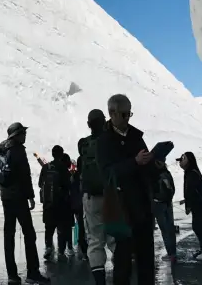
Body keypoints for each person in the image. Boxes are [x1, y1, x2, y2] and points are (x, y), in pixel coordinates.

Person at [96, 94, 156, 285]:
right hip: (122, 208)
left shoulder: (136, 137)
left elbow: (145, 166)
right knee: (123, 261)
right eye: (124, 114)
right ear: (111, 113)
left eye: (129, 113)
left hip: (143, 206)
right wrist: (134, 162)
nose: (127, 118)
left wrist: (154, 163)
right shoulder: (104, 141)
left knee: (146, 259)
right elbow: (107, 173)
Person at [0, 123, 50, 284]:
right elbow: (25, 175)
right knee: (29, 234)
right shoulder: (18, 150)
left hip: (6, 198)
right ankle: (32, 273)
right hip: (19, 198)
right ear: (17, 135)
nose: (25, 135)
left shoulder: (2, 149)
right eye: (23, 133)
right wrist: (31, 197)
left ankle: (12, 275)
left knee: (9, 236)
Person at [78, 108, 107, 285]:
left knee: (95, 241)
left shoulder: (83, 144)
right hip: (111, 196)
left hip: (91, 198)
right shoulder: (110, 141)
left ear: (89, 125)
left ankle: (100, 282)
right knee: (115, 239)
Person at [39, 145, 72, 260]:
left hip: (48, 203)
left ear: (52, 154)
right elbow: (68, 185)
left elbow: (40, 184)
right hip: (61, 203)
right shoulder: (63, 168)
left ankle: (48, 247)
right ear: (61, 154)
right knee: (61, 228)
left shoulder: (46, 167)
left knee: (49, 228)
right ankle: (61, 251)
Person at [178, 151, 202, 261]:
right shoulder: (191, 172)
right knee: (198, 227)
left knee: (198, 227)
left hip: (197, 204)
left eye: (183, 159)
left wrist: (188, 205)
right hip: (197, 204)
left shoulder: (191, 173)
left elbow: (191, 191)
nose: (181, 161)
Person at [152, 160, 176, 262]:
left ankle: (170, 253)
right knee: (170, 228)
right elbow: (173, 189)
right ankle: (173, 253)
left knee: (165, 230)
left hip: (158, 204)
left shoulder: (153, 174)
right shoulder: (167, 173)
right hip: (168, 202)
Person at [71, 154, 88, 260]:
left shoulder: (74, 176)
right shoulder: (88, 174)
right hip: (88, 203)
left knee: (81, 228)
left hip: (78, 206)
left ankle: (85, 251)